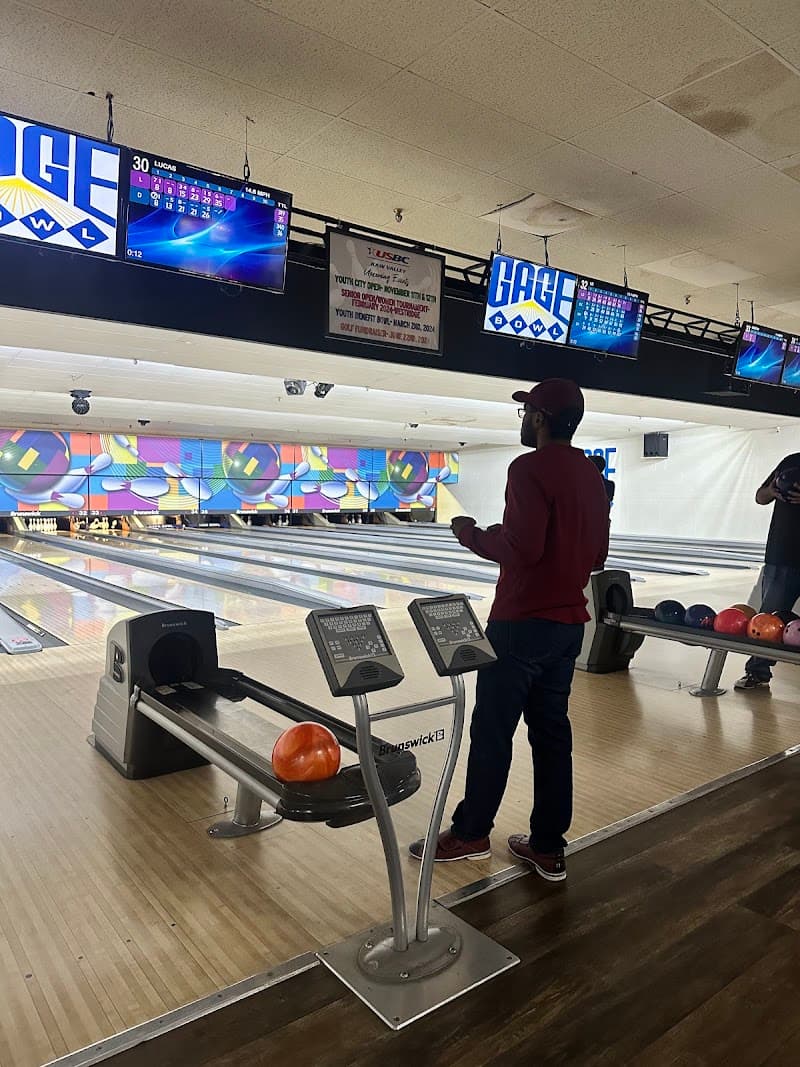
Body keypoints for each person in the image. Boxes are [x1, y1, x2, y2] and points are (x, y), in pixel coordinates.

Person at [409, 379, 609, 882]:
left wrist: (469, 534)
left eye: (526, 413)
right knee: (552, 735)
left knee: (492, 732)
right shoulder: (591, 474)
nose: (523, 421)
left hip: (520, 625)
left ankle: (472, 834)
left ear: (539, 418)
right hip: (568, 627)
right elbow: (596, 556)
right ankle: (547, 846)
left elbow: (522, 549)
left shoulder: (528, 468)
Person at [735, 454, 800, 690]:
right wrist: (772, 491)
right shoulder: (790, 462)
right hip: (781, 554)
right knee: (768, 619)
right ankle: (757, 672)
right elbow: (760, 497)